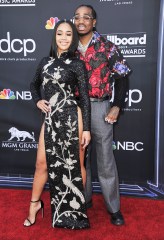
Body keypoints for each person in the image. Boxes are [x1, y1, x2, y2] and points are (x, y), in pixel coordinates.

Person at [23, 19, 91, 229]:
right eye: (60, 33)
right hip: (51, 118)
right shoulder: (45, 62)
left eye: (68, 34)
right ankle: (34, 205)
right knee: (41, 164)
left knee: (76, 167)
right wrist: (37, 100)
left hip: (72, 117)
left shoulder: (78, 64)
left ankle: (76, 210)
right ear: (55, 37)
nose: (63, 37)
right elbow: (33, 84)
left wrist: (87, 128)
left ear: (73, 38)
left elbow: (85, 98)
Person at [73, 5, 131, 226]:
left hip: (100, 108)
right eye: (77, 17)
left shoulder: (107, 47)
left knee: (106, 160)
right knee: (80, 158)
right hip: (76, 108)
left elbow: (122, 77)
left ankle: (114, 208)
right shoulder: (68, 46)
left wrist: (117, 106)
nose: (80, 21)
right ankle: (84, 200)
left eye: (86, 17)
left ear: (94, 22)